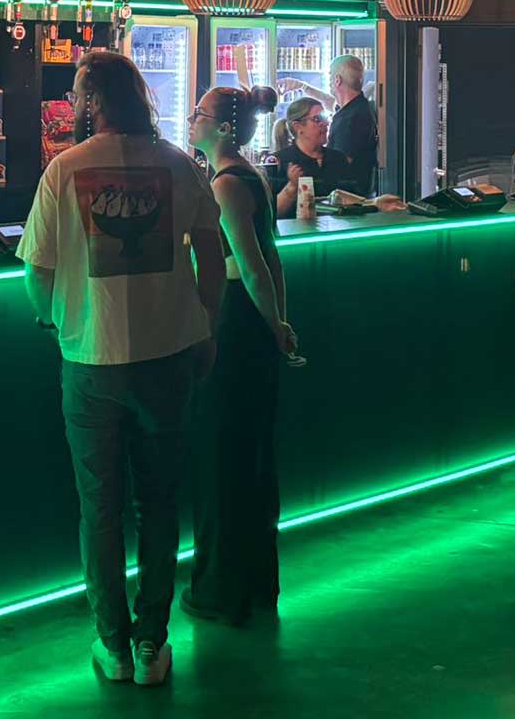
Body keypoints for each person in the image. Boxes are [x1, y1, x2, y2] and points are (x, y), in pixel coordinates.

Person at [16, 51, 226, 685]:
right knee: (159, 505)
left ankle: (110, 641)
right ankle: (151, 644)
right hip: (169, 357)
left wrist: (54, 320)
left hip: (91, 361)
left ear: (92, 101)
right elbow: (212, 259)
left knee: (99, 508)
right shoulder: (178, 165)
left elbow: (37, 271)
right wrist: (206, 326)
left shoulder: (66, 169)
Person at [182, 85, 296, 625]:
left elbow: (247, 266)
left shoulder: (224, 186)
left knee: (221, 454)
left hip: (232, 320)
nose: (191, 118)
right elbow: (272, 262)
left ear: (224, 128)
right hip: (254, 323)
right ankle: (254, 582)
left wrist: (270, 322)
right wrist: (279, 321)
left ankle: (218, 588)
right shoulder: (251, 177)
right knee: (253, 455)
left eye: (200, 113)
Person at [280, 55, 377, 191]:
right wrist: (302, 86)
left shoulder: (350, 121)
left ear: (337, 80)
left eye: (330, 77)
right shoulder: (356, 108)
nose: (324, 124)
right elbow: (330, 102)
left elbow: (340, 166)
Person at [273, 98, 364, 217]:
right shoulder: (281, 161)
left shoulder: (338, 159)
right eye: (317, 119)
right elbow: (271, 213)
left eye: (325, 118)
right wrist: (292, 187)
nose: (325, 124)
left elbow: (356, 201)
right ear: (298, 127)